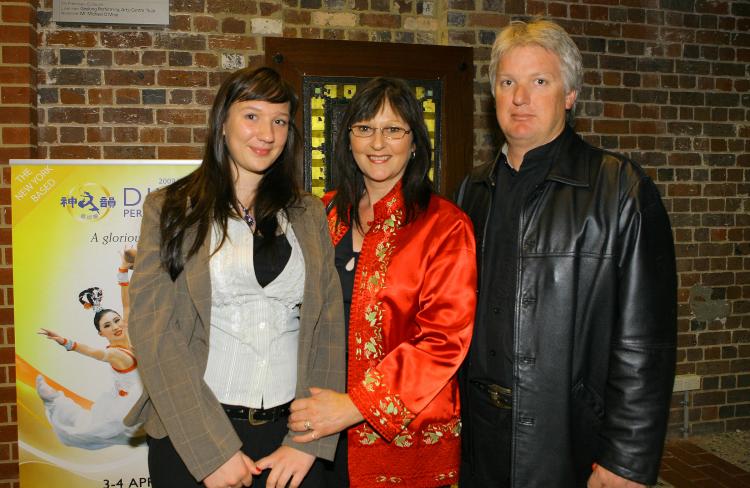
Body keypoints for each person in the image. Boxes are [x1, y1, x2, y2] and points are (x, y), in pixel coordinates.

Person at [455, 18, 677, 488]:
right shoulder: (471, 190)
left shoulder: (619, 189)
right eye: (507, 82)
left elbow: (645, 343)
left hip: (566, 438)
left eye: (539, 81)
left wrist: (627, 461)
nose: (520, 98)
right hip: (478, 437)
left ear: (570, 94)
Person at [123, 67, 345, 488]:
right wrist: (212, 452)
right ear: (222, 122)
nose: (267, 133)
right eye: (252, 115)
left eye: (279, 121)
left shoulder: (308, 212)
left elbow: (328, 329)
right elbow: (154, 333)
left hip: (290, 438)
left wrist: (308, 440)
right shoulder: (170, 208)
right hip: (194, 431)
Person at [286, 77, 477, 487]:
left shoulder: (444, 225)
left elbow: (443, 341)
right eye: (365, 128)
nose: (378, 143)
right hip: (316, 430)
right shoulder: (321, 215)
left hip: (404, 436)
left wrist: (355, 406)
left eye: (393, 129)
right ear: (348, 139)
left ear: (414, 142)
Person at [36, 251, 143, 450]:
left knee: (90, 424)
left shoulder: (127, 328)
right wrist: (66, 342)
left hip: (140, 400)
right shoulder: (115, 354)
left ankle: (55, 402)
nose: (116, 326)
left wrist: (123, 269)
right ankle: (54, 401)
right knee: (84, 433)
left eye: (116, 321)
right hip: (127, 410)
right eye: (108, 326)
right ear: (102, 334)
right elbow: (93, 352)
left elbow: (126, 303)